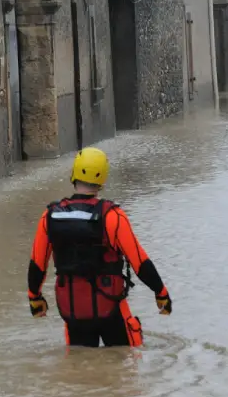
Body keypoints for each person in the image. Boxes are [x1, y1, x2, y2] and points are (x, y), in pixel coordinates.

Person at [27, 147, 172, 347]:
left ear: (74, 173)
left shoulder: (50, 216)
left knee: (81, 369)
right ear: (102, 178)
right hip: (110, 306)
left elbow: (37, 264)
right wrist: (161, 293)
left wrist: (35, 298)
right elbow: (139, 261)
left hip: (73, 310)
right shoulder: (113, 216)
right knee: (125, 366)